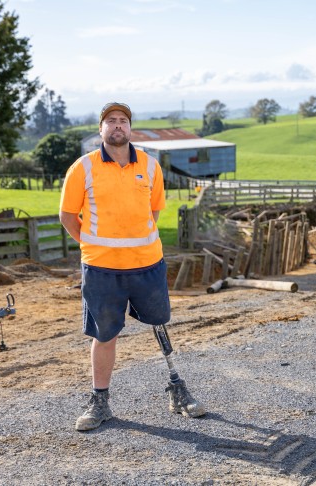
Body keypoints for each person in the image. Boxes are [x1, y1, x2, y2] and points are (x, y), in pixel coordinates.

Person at [59, 102, 205, 432]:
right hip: (101, 269)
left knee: (159, 323)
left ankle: (177, 391)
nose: (117, 126)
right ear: (101, 130)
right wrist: (93, 244)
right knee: (104, 334)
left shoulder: (151, 167)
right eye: (110, 121)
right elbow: (68, 217)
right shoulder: (82, 168)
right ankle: (100, 401)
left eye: (123, 120)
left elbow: (153, 212)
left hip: (147, 264)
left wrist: (135, 242)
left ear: (130, 129)